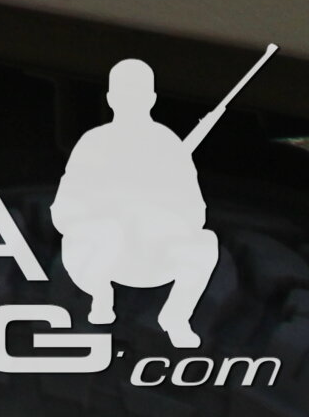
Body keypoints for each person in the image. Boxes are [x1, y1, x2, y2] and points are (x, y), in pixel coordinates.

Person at [57, 58, 221, 348]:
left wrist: (158, 209)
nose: (130, 101)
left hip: (154, 253)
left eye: (138, 94)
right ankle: (100, 297)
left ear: (152, 99)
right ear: (110, 99)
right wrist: (109, 210)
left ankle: (176, 317)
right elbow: (63, 210)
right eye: (123, 94)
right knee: (104, 231)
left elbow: (196, 213)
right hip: (99, 255)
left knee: (205, 243)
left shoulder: (168, 144)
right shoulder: (93, 142)